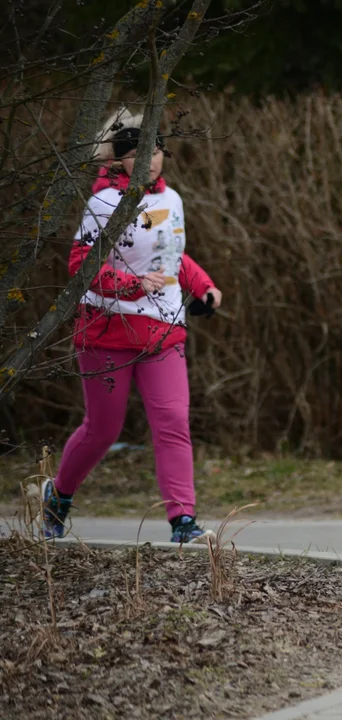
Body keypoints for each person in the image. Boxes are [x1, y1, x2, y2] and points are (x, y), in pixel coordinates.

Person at [40, 109, 222, 544]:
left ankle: (183, 522)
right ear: (120, 158)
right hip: (107, 333)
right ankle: (58, 497)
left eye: (157, 148)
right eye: (141, 150)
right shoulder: (103, 205)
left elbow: (169, 255)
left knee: (173, 421)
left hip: (163, 333)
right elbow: (80, 266)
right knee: (104, 430)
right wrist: (130, 287)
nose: (152, 157)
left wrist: (205, 287)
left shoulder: (170, 200)